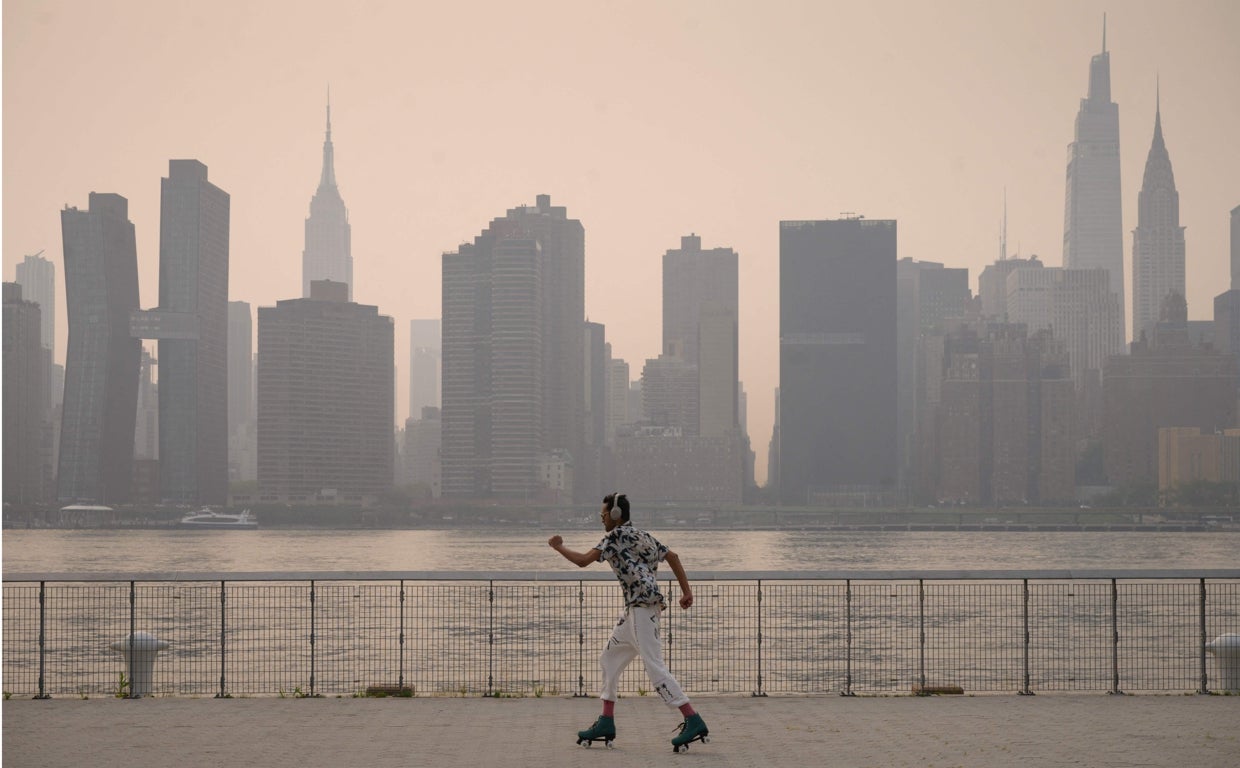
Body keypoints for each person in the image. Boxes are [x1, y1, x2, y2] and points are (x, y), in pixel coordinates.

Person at [547, 492, 710, 752]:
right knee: (609, 658)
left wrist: (558, 546)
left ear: (614, 515)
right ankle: (606, 721)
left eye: (603, 515)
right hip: (639, 610)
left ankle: (692, 719)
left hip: (641, 610)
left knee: (655, 667)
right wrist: (686, 592)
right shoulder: (643, 535)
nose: (601, 520)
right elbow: (674, 557)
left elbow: (582, 561)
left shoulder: (614, 537)